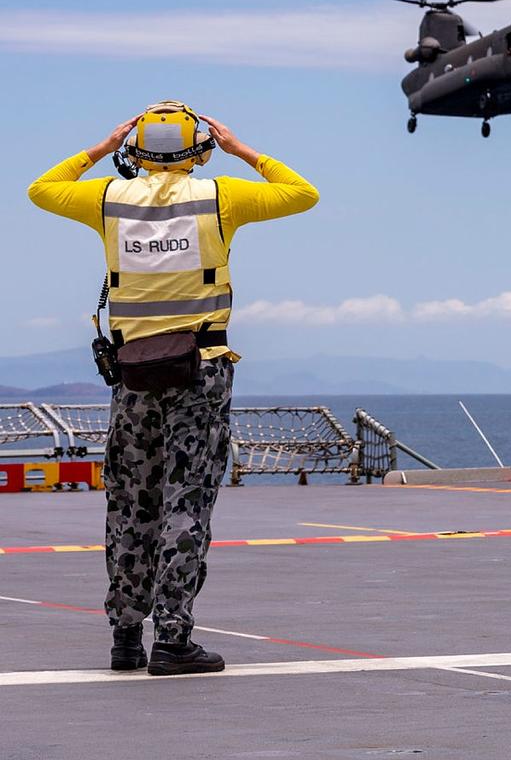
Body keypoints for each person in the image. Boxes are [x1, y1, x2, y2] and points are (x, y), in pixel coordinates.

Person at [28, 101, 319, 676]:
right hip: (201, 369)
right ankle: (173, 638)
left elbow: (43, 188)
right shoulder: (221, 196)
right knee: (186, 500)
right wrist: (244, 151)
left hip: (134, 373)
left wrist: (98, 149)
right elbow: (302, 192)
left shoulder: (107, 197)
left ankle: (125, 638)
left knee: (131, 501)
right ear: (201, 150)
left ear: (132, 151)